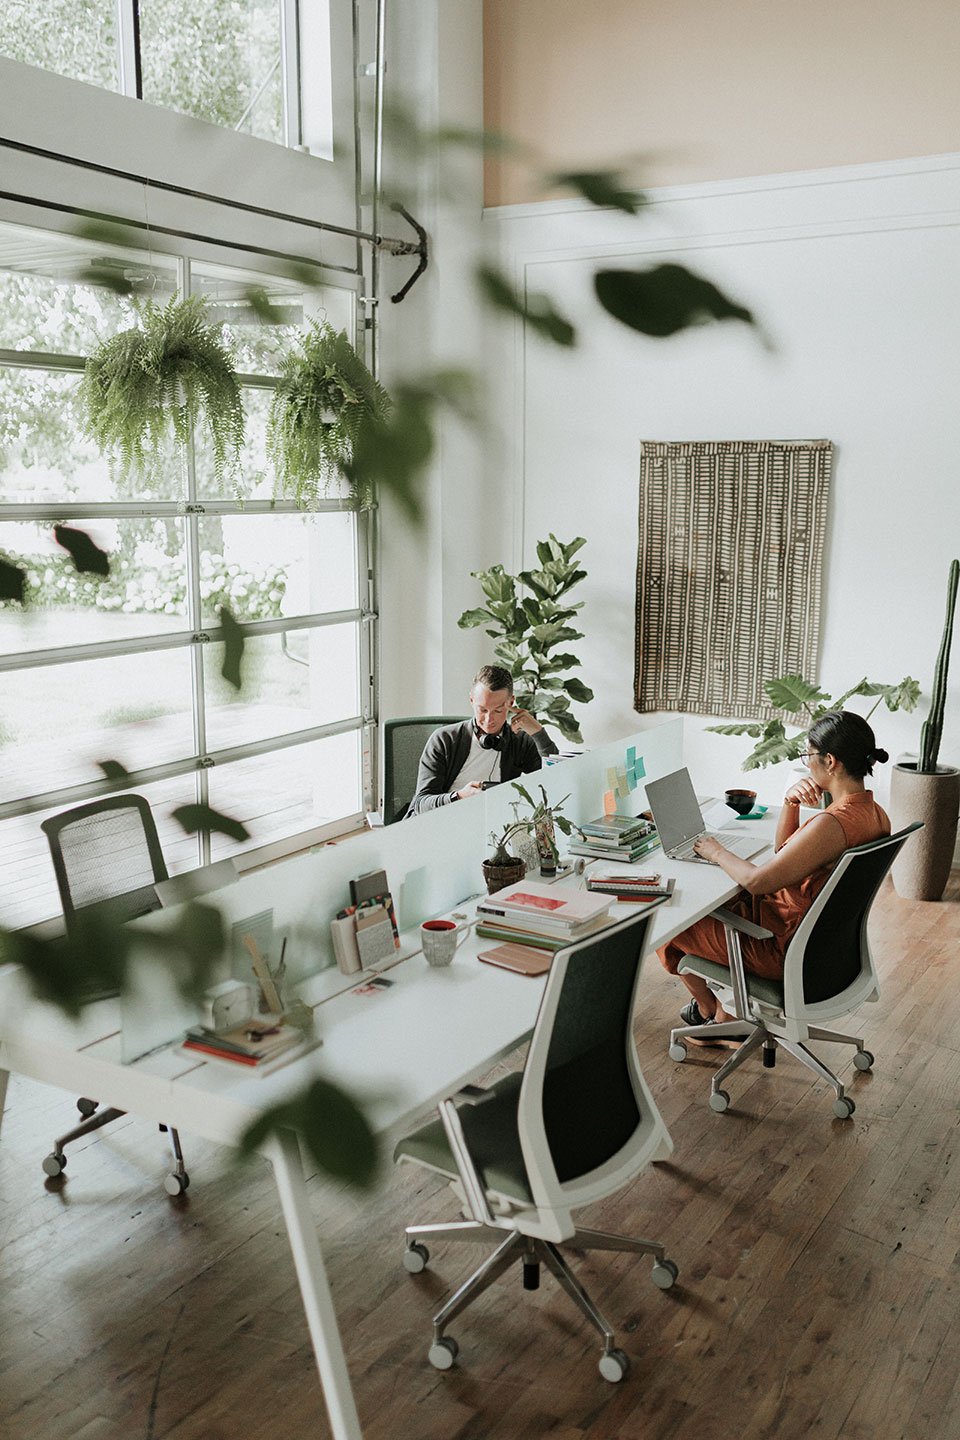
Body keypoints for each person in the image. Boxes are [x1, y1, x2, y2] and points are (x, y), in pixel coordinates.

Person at [659, 711, 890, 1040]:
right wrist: (790, 803)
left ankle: (714, 1016)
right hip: (819, 947)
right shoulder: (873, 814)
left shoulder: (833, 823)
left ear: (831, 761)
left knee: (672, 926)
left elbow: (758, 881)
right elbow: (787, 854)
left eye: (808, 754)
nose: (806, 763)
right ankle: (722, 1013)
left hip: (777, 944)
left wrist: (715, 850)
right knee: (714, 903)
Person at [404, 664, 558, 817]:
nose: (489, 719)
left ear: (511, 703)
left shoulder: (519, 741)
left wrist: (538, 733)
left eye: (498, 710)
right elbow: (421, 804)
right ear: (471, 699)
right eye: (482, 710)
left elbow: (557, 780)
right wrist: (459, 796)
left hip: (491, 824)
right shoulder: (444, 739)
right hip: (443, 821)